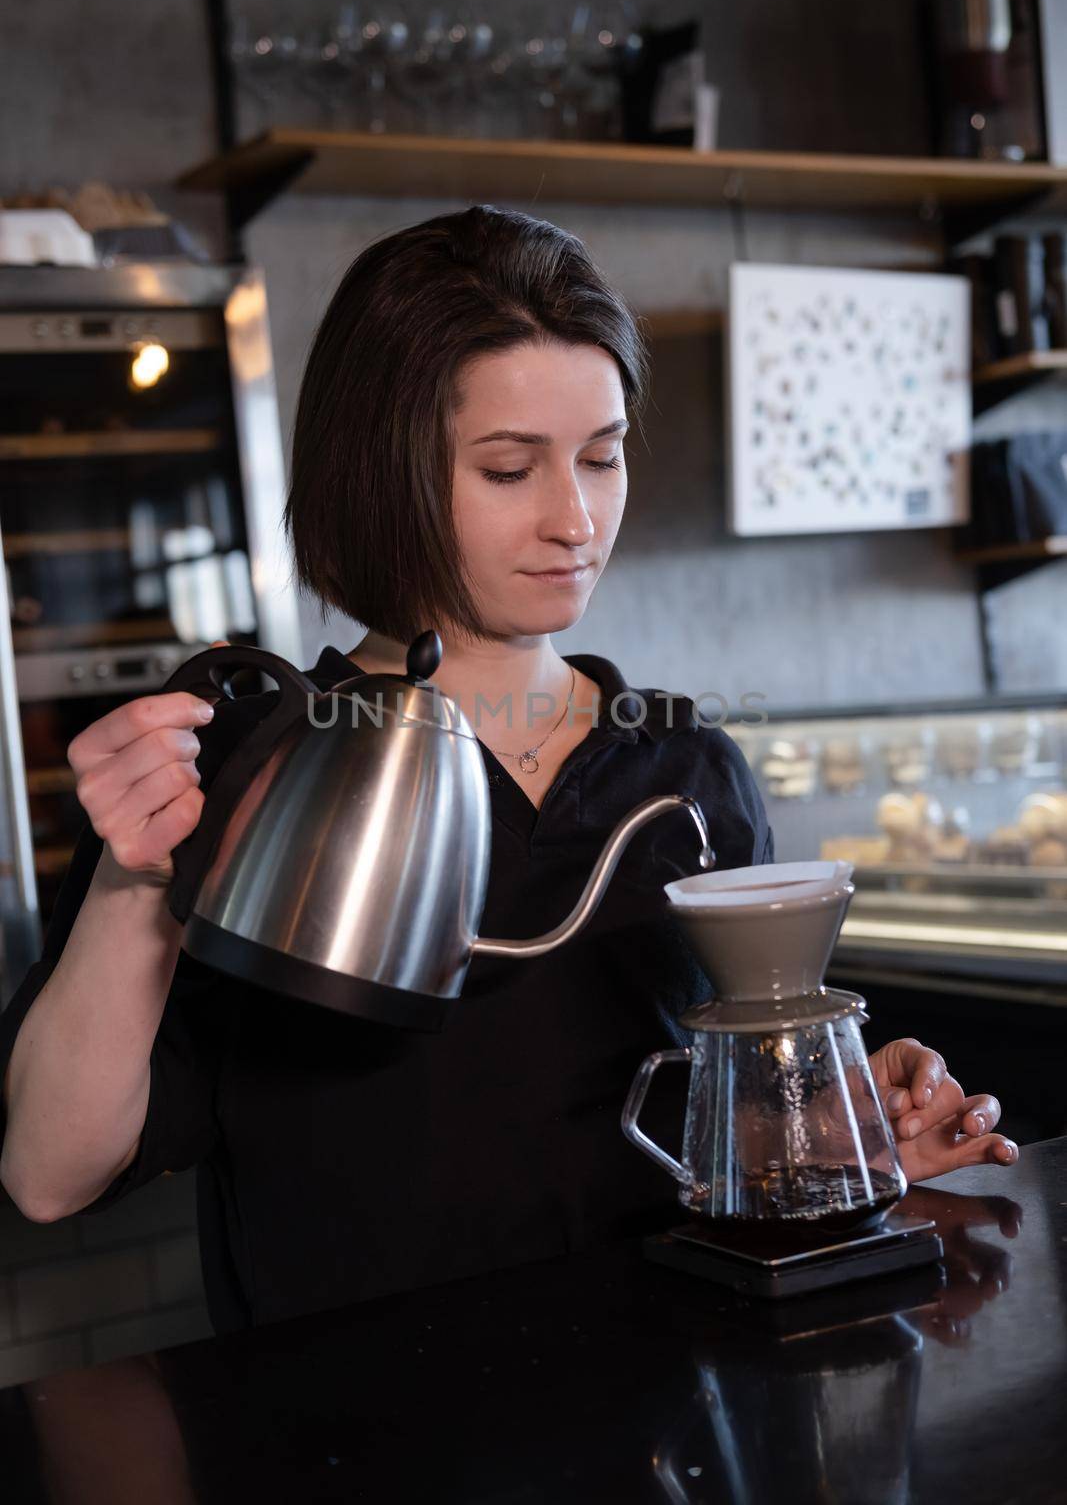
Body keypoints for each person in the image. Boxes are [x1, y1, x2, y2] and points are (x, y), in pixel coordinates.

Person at [0, 206, 1017, 1335]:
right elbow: (53, 1175)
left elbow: (721, 1142)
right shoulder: (255, 762)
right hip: (349, 1440)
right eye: (506, 468)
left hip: (665, 1416)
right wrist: (133, 880)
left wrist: (843, 1139)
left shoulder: (685, 772)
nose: (573, 519)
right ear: (383, 471)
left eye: (601, 454)